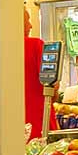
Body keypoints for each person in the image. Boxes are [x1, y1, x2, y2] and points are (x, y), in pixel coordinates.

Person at [24, 8, 46, 138]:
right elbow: (51, 89)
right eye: (27, 21)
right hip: (37, 129)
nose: (31, 25)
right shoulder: (35, 45)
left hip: (1, 135)